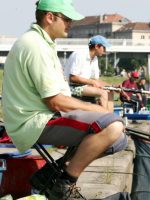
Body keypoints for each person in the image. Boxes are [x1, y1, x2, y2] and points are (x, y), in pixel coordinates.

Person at [2, 0, 127, 199]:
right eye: (67, 19)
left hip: (46, 116)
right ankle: (64, 182)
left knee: (119, 140)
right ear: (50, 17)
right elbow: (55, 101)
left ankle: (51, 174)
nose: (70, 24)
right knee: (113, 126)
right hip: (34, 122)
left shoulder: (43, 43)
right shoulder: (35, 46)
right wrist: (101, 112)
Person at [64, 35, 114, 112]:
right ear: (97, 46)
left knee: (110, 91)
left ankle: (111, 118)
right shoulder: (79, 54)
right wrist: (92, 82)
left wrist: (112, 86)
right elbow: (73, 78)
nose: (105, 50)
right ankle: (105, 119)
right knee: (103, 93)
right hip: (70, 87)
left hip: (83, 87)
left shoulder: (95, 58)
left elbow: (95, 80)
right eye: (104, 47)